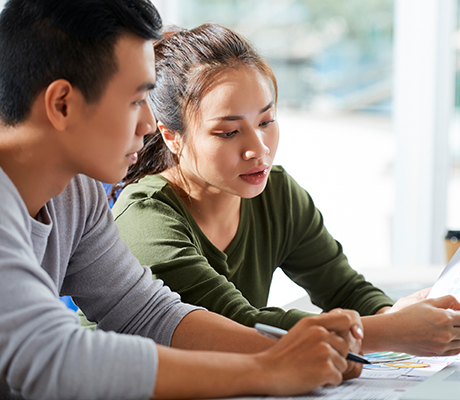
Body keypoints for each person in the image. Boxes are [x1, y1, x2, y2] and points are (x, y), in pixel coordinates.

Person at [0, 1, 364, 399]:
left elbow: (145, 312)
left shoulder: (78, 193)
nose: (148, 125)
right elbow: (51, 355)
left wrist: (286, 356)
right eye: (136, 100)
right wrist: (265, 369)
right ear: (62, 104)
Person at [108, 22, 460, 357]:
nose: (259, 148)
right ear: (171, 136)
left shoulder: (276, 192)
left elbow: (345, 289)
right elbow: (237, 327)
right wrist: (387, 332)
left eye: (267, 120)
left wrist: (393, 315)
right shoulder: (145, 218)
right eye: (228, 132)